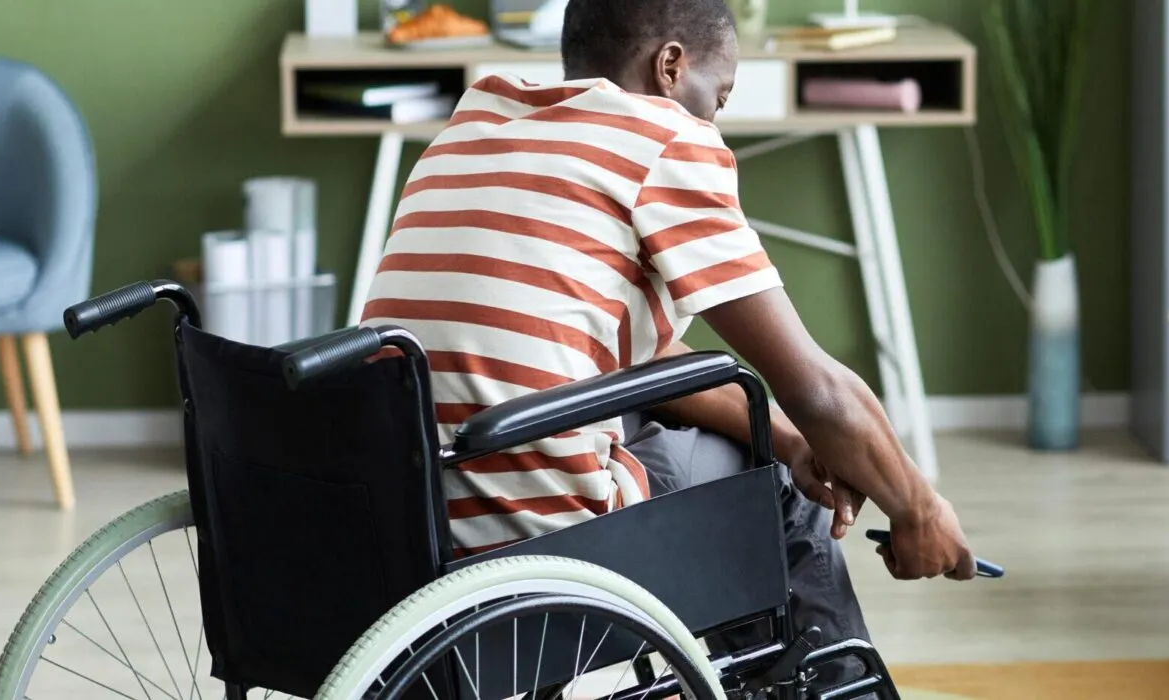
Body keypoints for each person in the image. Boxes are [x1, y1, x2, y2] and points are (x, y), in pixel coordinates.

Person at [357, 0, 978, 668]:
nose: (715, 122)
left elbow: (626, 363)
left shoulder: (476, 119)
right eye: (719, 96)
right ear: (671, 67)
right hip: (527, 537)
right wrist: (918, 508)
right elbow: (818, 388)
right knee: (766, 491)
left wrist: (796, 440)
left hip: (397, 525)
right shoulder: (661, 137)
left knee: (752, 437)